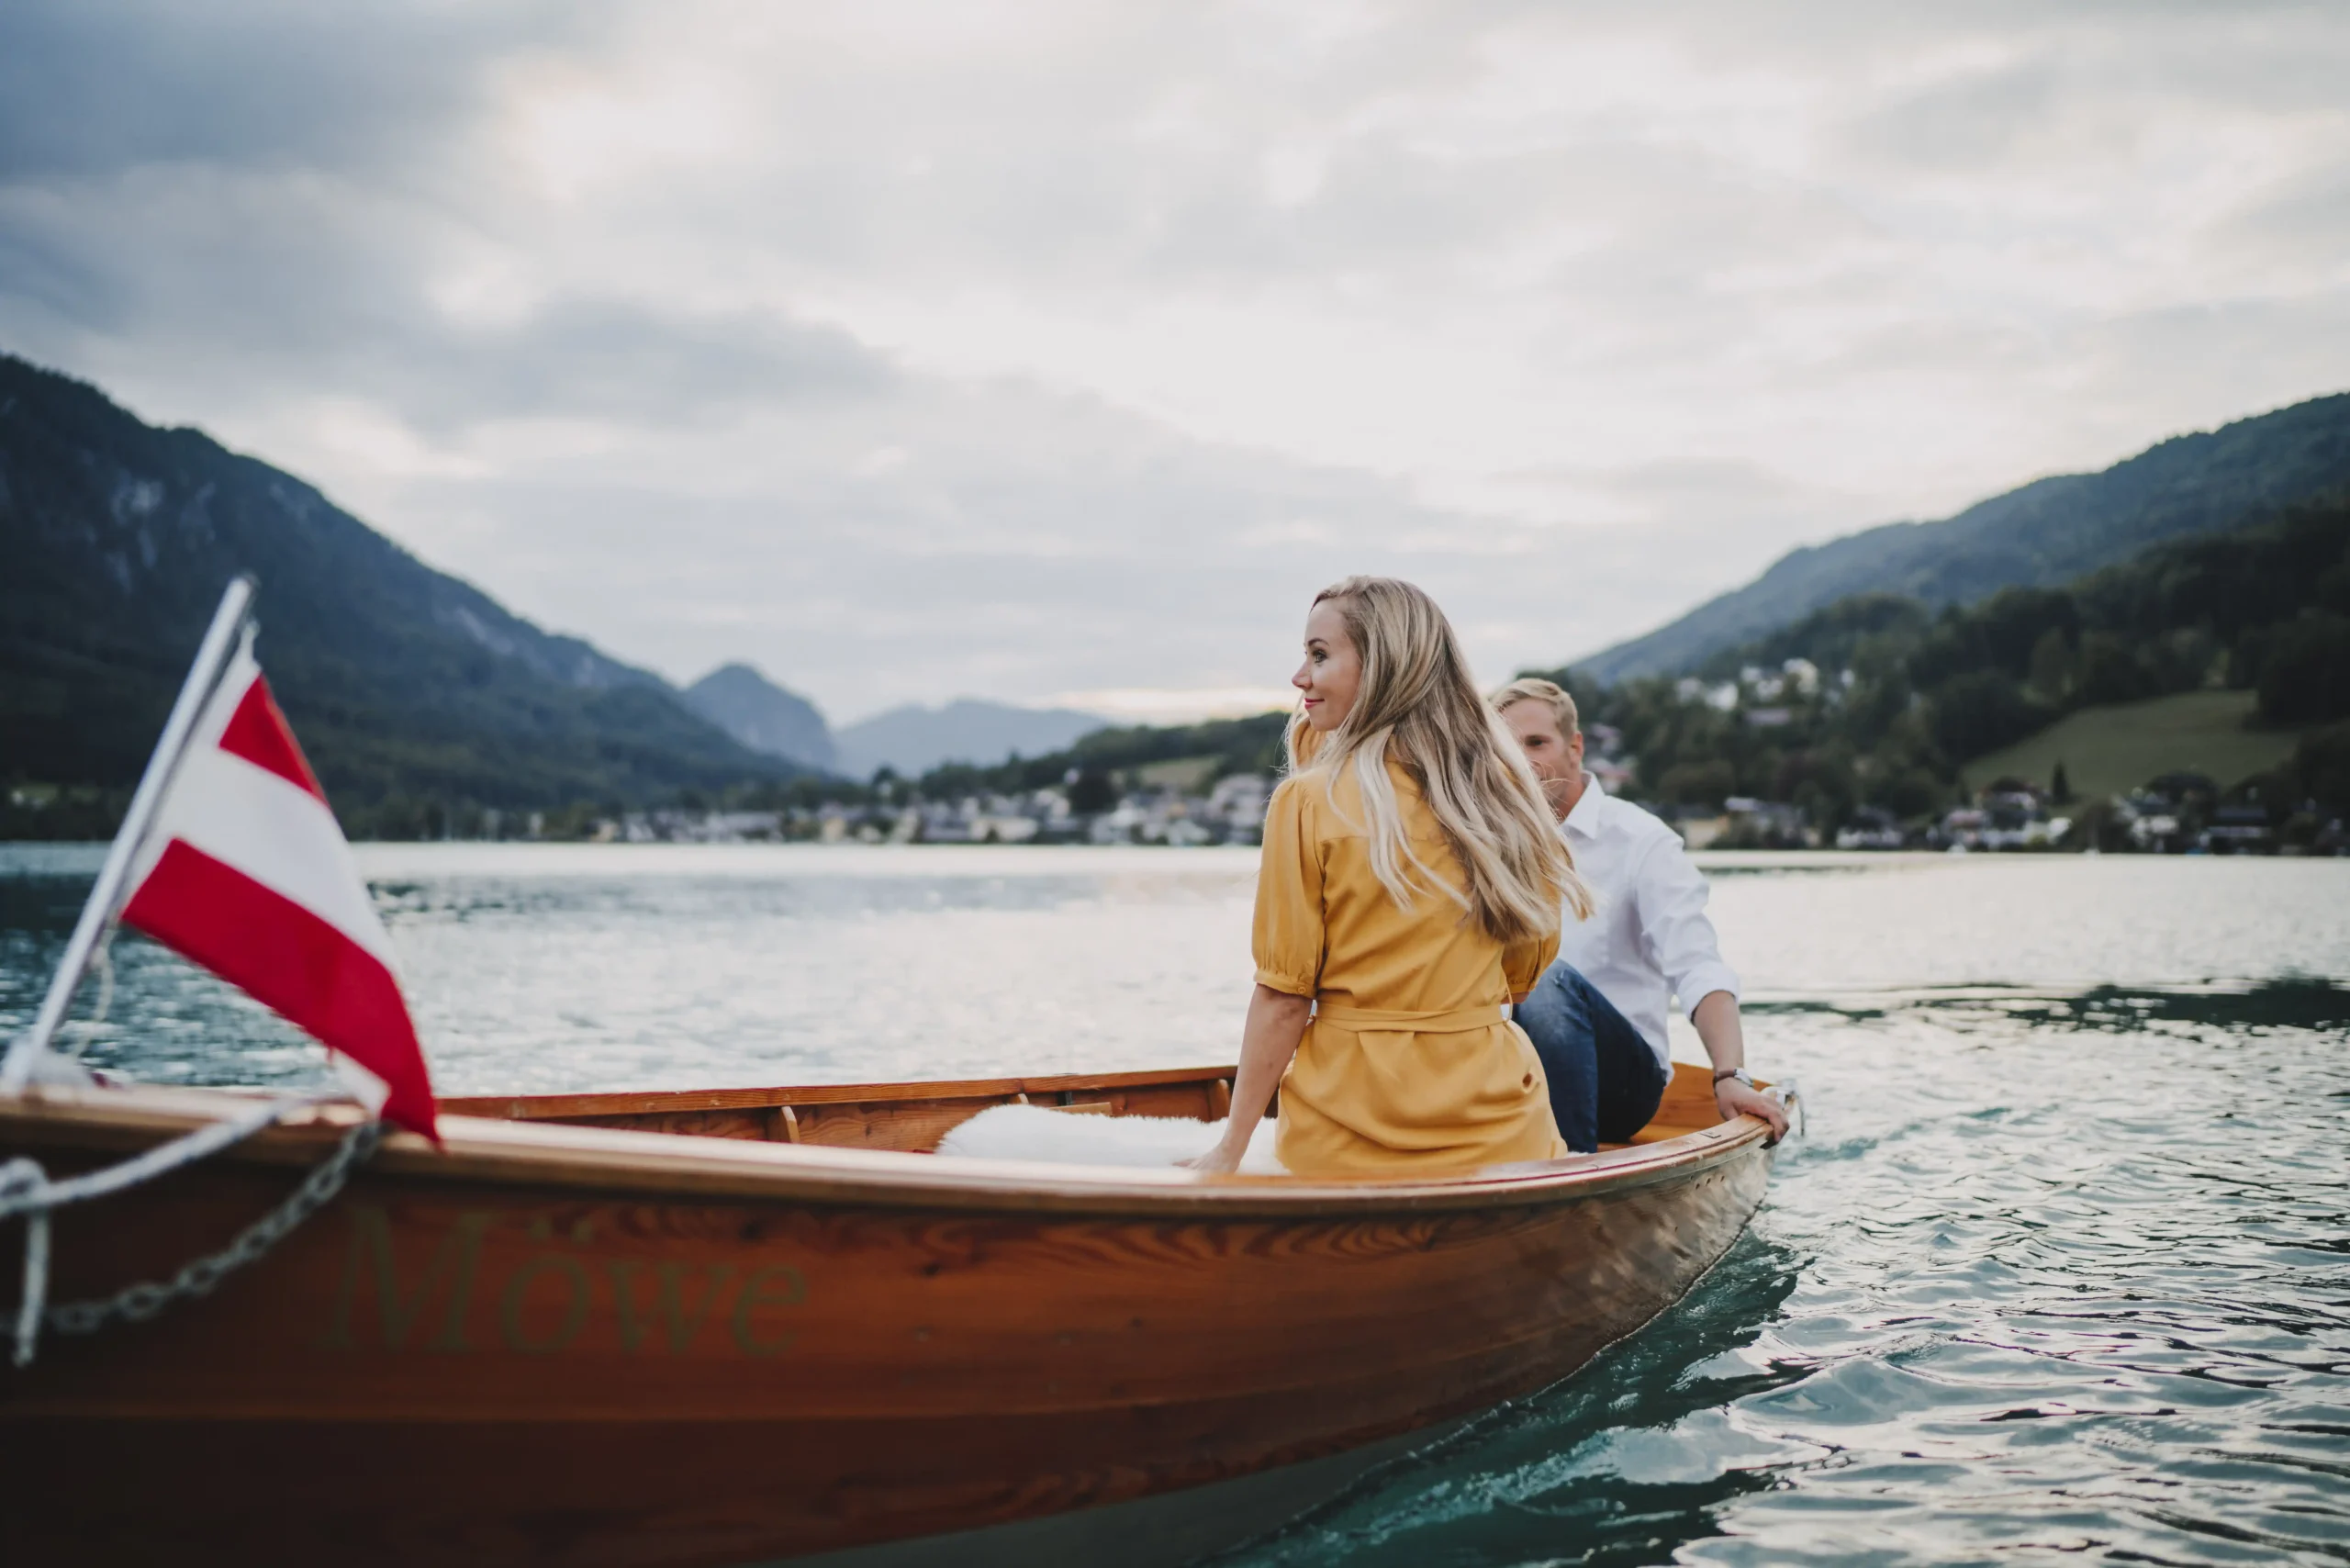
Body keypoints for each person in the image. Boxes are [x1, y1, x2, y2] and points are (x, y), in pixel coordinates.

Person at [1187, 577, 1593, 1178]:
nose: (1300, 676)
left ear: (1380, 666)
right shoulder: (1507, 798)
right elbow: (1522, 975)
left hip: (1347, 1136)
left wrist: (1230, 1149)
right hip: (1498, 1129)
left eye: (1319, 655)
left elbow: (1283, 997)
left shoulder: (1306, 802)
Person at [1489, 678, 1790, 1151]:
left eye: (1536, 743)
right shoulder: (1483, 841)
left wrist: (1730, 1074)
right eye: (1506, 747)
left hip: (1623, 1085)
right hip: (1507, 1074)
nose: (1522, 761)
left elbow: (1697, 966)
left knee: (1546, 977)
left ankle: (1569, 1175)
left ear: (1576, 747)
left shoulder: (1641, 841)